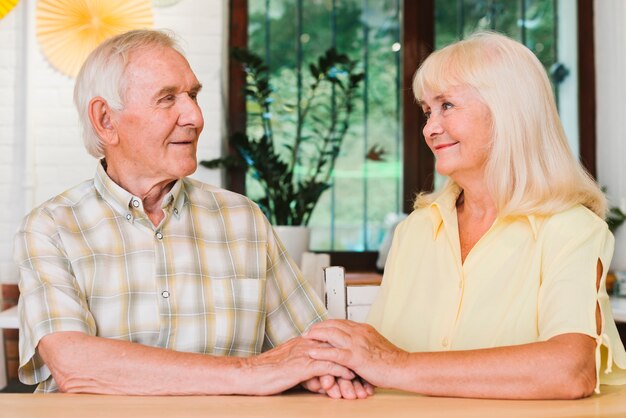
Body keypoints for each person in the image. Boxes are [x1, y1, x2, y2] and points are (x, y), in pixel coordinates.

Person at [14, 29, 372, 399]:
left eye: (193, 95)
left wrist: (322, 370)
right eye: (167, 98)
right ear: (105, 120)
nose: (195, 117)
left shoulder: (244, 220)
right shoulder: (51, 227)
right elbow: (76, 365)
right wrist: (250, 373)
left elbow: (314, 345)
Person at [304, 32, 626, 399]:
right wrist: (341, 370)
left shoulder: (571, 229)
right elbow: (375, 362)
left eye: (447, 106)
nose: (430, 128)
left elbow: (571, 369)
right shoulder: (415, 231)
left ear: (509, 110)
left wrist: (397, 364)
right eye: (428, 110)